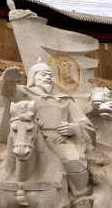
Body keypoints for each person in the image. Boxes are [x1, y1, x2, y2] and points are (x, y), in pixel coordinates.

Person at [14, 61, 93, 197]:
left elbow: (85, 123)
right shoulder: (23, 93)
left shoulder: (65, 100)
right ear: (33, 77)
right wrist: (7, 79)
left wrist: (73, 128)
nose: (48, 78)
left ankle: (80, 195)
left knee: (74, 163)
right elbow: (2, 93)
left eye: (50, 75)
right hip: (30, 138)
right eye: (43, 75)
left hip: (60, 140)